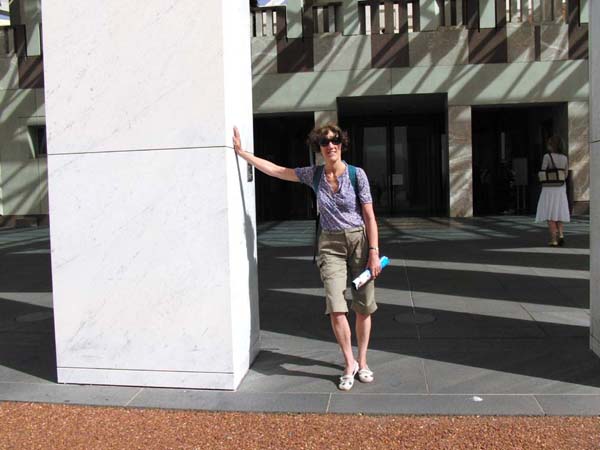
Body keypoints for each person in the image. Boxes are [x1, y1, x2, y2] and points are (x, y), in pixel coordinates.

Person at [232, 123, 381, 391]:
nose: (331, 145)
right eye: (325, 142)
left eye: (335, 140)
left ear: (342, 144)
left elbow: (369, 216)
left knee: (363, 305)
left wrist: (374, 251)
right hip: (330, 244)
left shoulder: (357, 175)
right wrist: (243, 154)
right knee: (336, 304)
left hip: (360, 242)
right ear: (318, 147)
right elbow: (278, 171)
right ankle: (349, 363)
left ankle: (363, 361)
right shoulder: (314, 174)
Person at [535, 135, 570, 246]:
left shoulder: (547, 156)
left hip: (549, 188)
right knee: (558, 211)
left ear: (551, 145)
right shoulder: (564, 158)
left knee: (550, 212)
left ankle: (554, 240)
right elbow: (566, 174)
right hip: (561, 188)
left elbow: (543, 171)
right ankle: (561, 234)